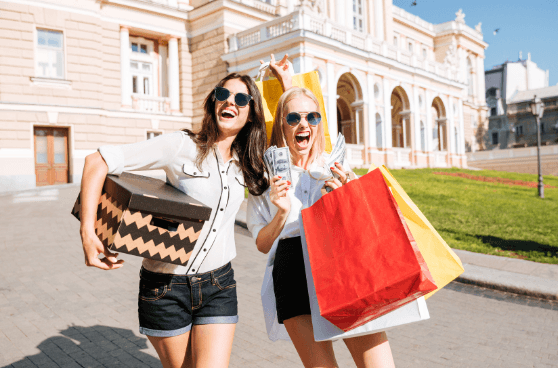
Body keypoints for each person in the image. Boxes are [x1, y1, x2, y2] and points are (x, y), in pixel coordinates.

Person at [79, 72, 268, 368]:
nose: (230, 102)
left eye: (241, 99)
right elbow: (97, 161)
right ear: (213, 102)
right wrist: (88, 232)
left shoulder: (248, 164)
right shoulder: (182, 146)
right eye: (223, 94)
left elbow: (297, 134)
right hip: (166, 287)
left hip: (219, 285)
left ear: (251, 114)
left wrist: (284, 78)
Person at [247, 60, 396, 368]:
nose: (304, 124)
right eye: (293, 118)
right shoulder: (267, 177)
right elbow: (262, 245)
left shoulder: (335, 166)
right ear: (281, 124)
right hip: (291, 268)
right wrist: (280, 213)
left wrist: (350, 198)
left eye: (312, 117)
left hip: (342, 262)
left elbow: (367, 223)